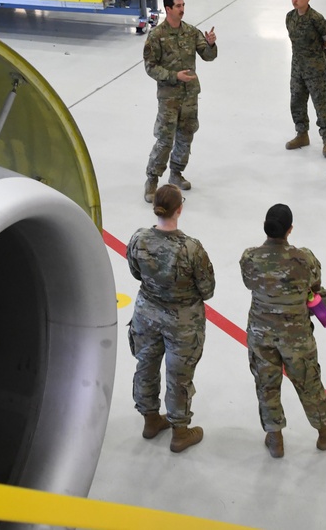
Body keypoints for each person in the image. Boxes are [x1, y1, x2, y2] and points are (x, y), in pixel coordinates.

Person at [240, 204, 326, 458]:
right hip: (296, 335)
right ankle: (325, 432)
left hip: (260, 332)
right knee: (308, 381)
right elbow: (314, 288)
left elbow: (250, 283)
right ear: (290, 230)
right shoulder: (305, 258)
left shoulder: (249, 258)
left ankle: (274, 437)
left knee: (266, 384)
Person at [127, 185, 215, 453]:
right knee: (179, 375)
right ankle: (180, 432)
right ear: (180, 209)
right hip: (183, 322)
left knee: (146, 365)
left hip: (146, 314)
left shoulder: (139, 239)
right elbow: (208, 290)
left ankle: (150, 420)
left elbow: (135, 272)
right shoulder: (191, 248)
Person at [142, 0, 218, 203]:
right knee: (165, 140)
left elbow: (208, 56)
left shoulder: (191, 32)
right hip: (169, 98)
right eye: (178, 5)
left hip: (190, 96)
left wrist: (211, 44)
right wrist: (174, 76)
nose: (182, 9)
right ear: (168, 9)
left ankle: (176, 173)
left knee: (186, 136)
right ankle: (152, 179)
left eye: (183, 4)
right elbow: (150, 67)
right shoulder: (156, 36)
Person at [285, 0, 326, 157]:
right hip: (297, 68)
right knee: (297, 102)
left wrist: (316, 50)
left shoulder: (316, 19)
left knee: (320, 104)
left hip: (315, 69)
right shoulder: (290, 17)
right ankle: (302, 134)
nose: (294, 0)